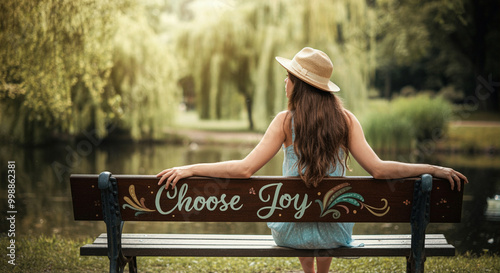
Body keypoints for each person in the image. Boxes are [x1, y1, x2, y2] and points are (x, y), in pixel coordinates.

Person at [157, 47, 468, 273]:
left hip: (289, 232)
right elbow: (379, 169)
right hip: (336, 231)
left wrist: (189, 168)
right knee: (330, 207)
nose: (284, 82)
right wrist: (433, 168)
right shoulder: (346, 121)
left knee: (300, 209)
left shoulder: (284, 121)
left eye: (288, 78)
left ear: (298, 85)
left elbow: (244, 168)